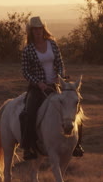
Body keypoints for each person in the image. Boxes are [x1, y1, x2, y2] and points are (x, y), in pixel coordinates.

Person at [20, 16, 84, 160]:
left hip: (56, 86)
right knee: (28, 113)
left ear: (43, 29)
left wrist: (60, 76)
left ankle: (77, 145)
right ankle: (28, 147)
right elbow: (25, 71)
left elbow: (60, 63)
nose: (37, 32)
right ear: (31, 31)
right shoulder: (28, 50)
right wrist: (38, 83)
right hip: (38, 88)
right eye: (35, 29)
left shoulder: (52, 44)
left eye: (39, 28)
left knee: (75, 108)